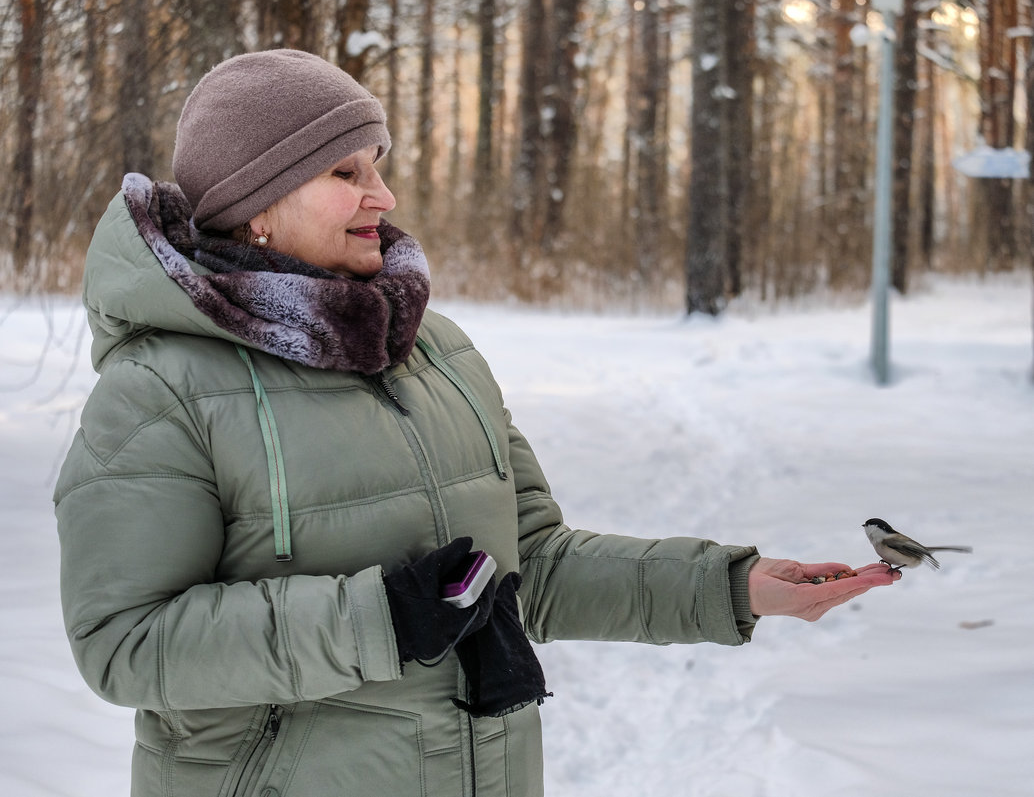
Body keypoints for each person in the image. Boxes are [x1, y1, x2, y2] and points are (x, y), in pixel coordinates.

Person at [54, 49, 898, 797]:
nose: (382, 195)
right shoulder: (160, 389)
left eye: (378, 164)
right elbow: (125, 642)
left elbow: (531, 567)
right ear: (256, 206)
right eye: (345, 173)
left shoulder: (433, 352)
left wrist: (730, 588)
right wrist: (379, 619)